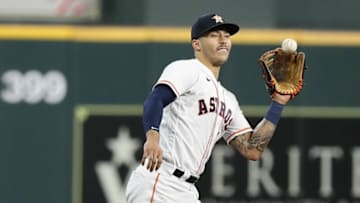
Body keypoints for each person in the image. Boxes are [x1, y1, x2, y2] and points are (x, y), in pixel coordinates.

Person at [125, 13, 291, 203]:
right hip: (160, 180)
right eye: (214, 35)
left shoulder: (229, 100)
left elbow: (251, 149)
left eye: (227, 36)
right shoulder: (187, 69)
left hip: (187, 191)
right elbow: (155, 99)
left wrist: (278, 103)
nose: (223, 40)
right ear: (196, 44)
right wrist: (152, 137)